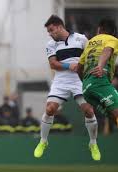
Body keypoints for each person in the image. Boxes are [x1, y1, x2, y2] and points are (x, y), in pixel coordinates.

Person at [34, 15, 100, 161]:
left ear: (59, 26)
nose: (50, 34)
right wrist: (68, 65)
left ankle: (93, 143)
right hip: (61, 80)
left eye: (51, 30)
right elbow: (53, 64)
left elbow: (92, 57)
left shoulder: (81, 39)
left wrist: (86, 68)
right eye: (49, 32)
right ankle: (43, 141)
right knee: (50, 109)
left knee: (89, 111)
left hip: (79, 80)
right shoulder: (51, 44)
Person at [77, 18, 118, 135]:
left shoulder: (89, 43)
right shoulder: (112, 39)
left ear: (99, 29)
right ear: (113, 31)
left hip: (86, 89)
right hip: (100, 82)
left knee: (113, 116)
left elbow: (79, 68)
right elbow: (107, 50)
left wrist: (86, 82)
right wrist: (100, 67)